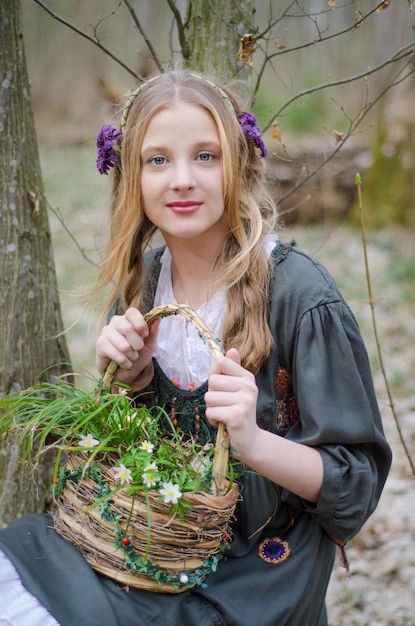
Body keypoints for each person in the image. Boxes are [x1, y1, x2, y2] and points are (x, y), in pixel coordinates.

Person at [0, 70, 391, 626]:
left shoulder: (300, 296)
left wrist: (253, 442)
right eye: (157, 160)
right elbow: (137, 453)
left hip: (256, 571)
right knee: (17, 570)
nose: (182, 179)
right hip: (148, 543)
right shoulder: (144, 283)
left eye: (205, 156)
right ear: (131, 178)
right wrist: (125, 380)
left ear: (239, 165)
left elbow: (355, 484)